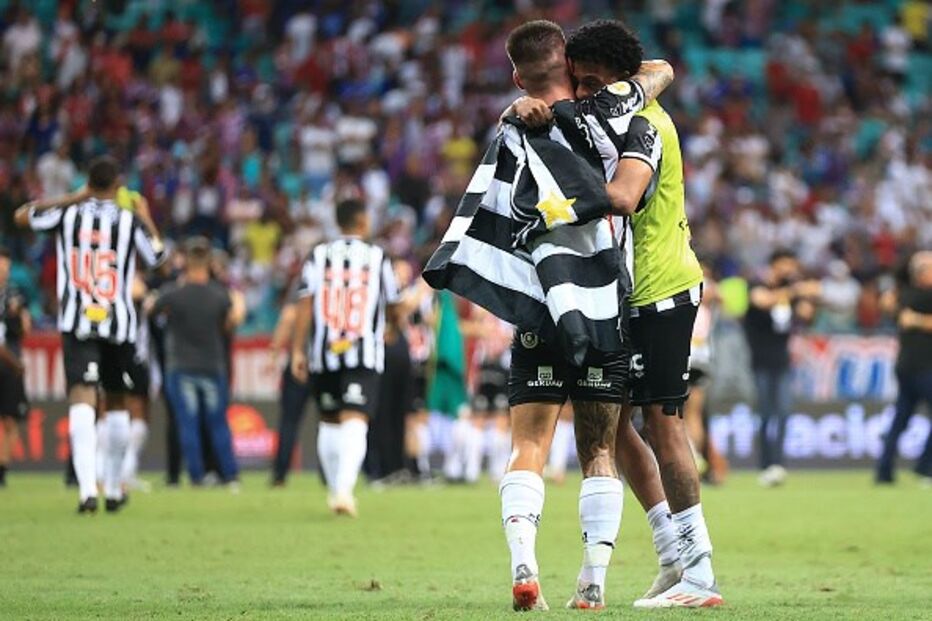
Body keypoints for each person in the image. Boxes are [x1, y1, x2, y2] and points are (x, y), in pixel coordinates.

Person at [512, 19, 718, 608]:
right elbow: (654, 73)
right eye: (578, 84)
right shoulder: (608, 114)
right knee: (615, 424)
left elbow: (625, 195)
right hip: (630, 294)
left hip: (661, 291)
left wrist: (550, 210)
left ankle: (700, 572)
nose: (582, 95)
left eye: (593, 83)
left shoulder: (643, 123)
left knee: (662, 423)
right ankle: (673, 554)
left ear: (623, 82)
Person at [14, 156, 166, 512]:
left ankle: (87, 489)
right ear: (117, 185)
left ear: (88, 183)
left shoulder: (69, 215)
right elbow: (158, 258)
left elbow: (22, 215)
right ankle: (113, 488)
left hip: (77, 321)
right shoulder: (128, 221)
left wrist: (71, 198)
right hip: (119, 324)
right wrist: (144, 214)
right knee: (116, 401)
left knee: (82, 399)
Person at [290, 198, 401, 517]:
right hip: (363, 350)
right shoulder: (379, 257)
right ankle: (343, 491)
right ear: (363, 222)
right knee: (355, 418)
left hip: (323, 353)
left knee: (329, 419)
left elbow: (303, 304)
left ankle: (336, 489)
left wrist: (298, 349)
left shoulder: (318, 254)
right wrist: (393, 325)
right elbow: (393, 300)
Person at [149, 237, 240, 488]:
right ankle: (230, 476)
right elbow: (231, 322)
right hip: (213, 365)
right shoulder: (219, 295)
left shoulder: (173, 295)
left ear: (186, 263)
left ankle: (197, 477)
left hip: (181, 366)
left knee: (187, 424)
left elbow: (150, 310)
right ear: (209, 262)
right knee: (218, 424)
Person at [744, 249, 818, 487]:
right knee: (765, 414)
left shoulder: (791, 288)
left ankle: (779, 462)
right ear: (775, 264)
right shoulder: (757, 283)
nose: (790, 270)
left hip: (782, 360)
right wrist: (795, 290)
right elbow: (761, 300)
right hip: (760, 361)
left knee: (784, 413)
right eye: (786, 264)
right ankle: (765, 464)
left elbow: (807, 313)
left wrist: (807, 297)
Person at [876, 251, 932, 484]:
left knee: (900, 420)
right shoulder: (919, 297)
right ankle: (924, 468)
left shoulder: (903, 296)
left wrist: (912, 319)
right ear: (920, 274)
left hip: (907, 367)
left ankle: (884, 471)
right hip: (923, 368)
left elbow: (890, 304)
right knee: (900, 420)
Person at [268, 278, 314, 486]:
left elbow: (288, 318)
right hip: (329, 363)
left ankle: (280, 475)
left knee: (289, 421)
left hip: (300, 362)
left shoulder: (304, 282)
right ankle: (333, 476)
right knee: (332, 422)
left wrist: (274, 353)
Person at [0, 246, 30, 486]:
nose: (3, 271)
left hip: (11, 364)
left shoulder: (14, 294)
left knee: (11, 418)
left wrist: (19, 314)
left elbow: (25, 329)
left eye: (6, 266)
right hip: (7, 359)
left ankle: (3, 468)